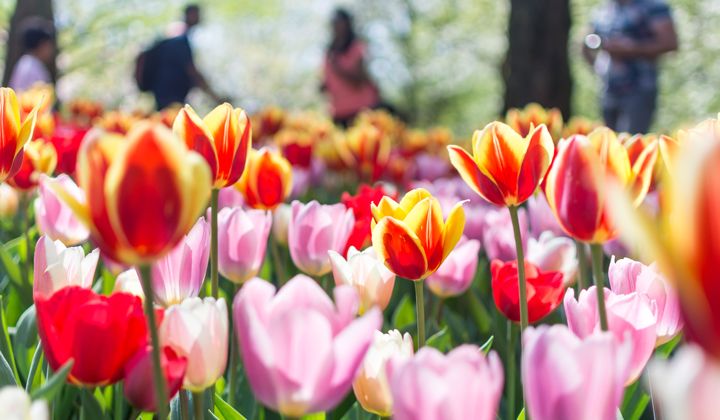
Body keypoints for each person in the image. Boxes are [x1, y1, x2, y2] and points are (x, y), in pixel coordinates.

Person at [583, 0, 678, 134]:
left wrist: (632, 49)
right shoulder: (605, 8)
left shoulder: (654, 6)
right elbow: (586, 42)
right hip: (608, 89)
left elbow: (670, 43)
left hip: (639, 88)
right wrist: (597, 67)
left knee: (632, 139)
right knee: (608, 140)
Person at [145, 4, 222, 110]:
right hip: (171, 94)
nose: (200, 17)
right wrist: (215, 97)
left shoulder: (173, 34)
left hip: (163, 91)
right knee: (171, 120)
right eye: (197, 14)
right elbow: (192, 71)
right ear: (190, 14)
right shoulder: (180, 38)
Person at [322, 9, 381, 127]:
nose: (337, 27)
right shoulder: (329, 53)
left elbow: (359, 80)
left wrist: (338, 69)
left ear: (348, 24)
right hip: (338, 112)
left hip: (361, 110)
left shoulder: (356, 47)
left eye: (340, 23)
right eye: (334, 23)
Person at [9, 19, 55, 92]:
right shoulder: (33, 67)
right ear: (41, 45)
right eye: (48, 44)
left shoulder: (25, 63)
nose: (51, 49)